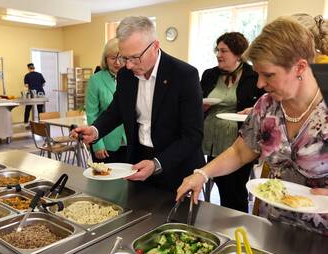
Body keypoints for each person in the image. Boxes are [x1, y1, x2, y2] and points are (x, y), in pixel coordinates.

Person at [176, 17, 328, 235]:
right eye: (257, 73)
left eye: (268, 75)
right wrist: (202, 173)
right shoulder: (267, 106)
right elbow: (240, 151)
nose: (259, 84)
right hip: (273, 226)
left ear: (300, 67)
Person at [73, 16, 205, 191]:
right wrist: (95, 130)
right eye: (124, 58)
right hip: (137, 160)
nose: (128, 65)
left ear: (155, 46)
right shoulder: (125, 75)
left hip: (176, 165)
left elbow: (192, 136)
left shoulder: (184, 75)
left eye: (135, 58)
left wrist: (157, 164)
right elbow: (117, 110)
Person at [201, 32, 264, 212]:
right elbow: (197, 98)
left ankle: (236, 228)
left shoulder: (253, 76)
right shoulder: (210, 75)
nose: (218, 54)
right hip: (211, 140)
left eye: (224, 51)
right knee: (220, 182)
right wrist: (201, 106)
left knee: (235, 191)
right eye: (217, 50)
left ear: (238, 53)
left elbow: (263, 105)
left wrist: (251, 111)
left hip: (240, 141)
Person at [86, 38, 127, 163]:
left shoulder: (132, 78)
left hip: (130, 141)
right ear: (105, 59)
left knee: (128, 181)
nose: (117, 62)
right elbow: (92, 114)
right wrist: (97, 144)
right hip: (106, 142)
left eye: (121, 58)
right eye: (113, 58)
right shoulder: (95, 80)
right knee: (105, 180)